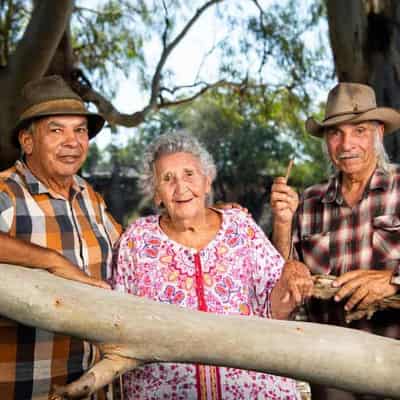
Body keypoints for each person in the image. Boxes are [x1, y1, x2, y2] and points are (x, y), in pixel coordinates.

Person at [111, 132, 310, 400]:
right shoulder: (136, 241)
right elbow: (121, 321)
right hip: (165, 391)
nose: (181, 187)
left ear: (207, 182)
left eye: (189, 174)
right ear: (156, 194)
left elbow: (274, 309)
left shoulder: (241, 227)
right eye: (167, 179)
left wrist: (292, 272)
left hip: (252, 390)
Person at [271, 82, 400, 400]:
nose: (346, 144)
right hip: (329, 372)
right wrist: (283, 223)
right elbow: (281, 276)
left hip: (394, 361)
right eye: (335, 133)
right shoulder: (310, 200)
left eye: (358, 131)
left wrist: (393, 282)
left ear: (378, 133)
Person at [0, 75, 121, 399]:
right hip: (26, 389)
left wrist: (196, 215)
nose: (73, 141)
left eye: (80, 130)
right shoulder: (6, 191)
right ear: (27, 141)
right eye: (57, 130)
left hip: (94, 387)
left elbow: (131, 247)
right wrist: (51, 261)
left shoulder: (89, 197)